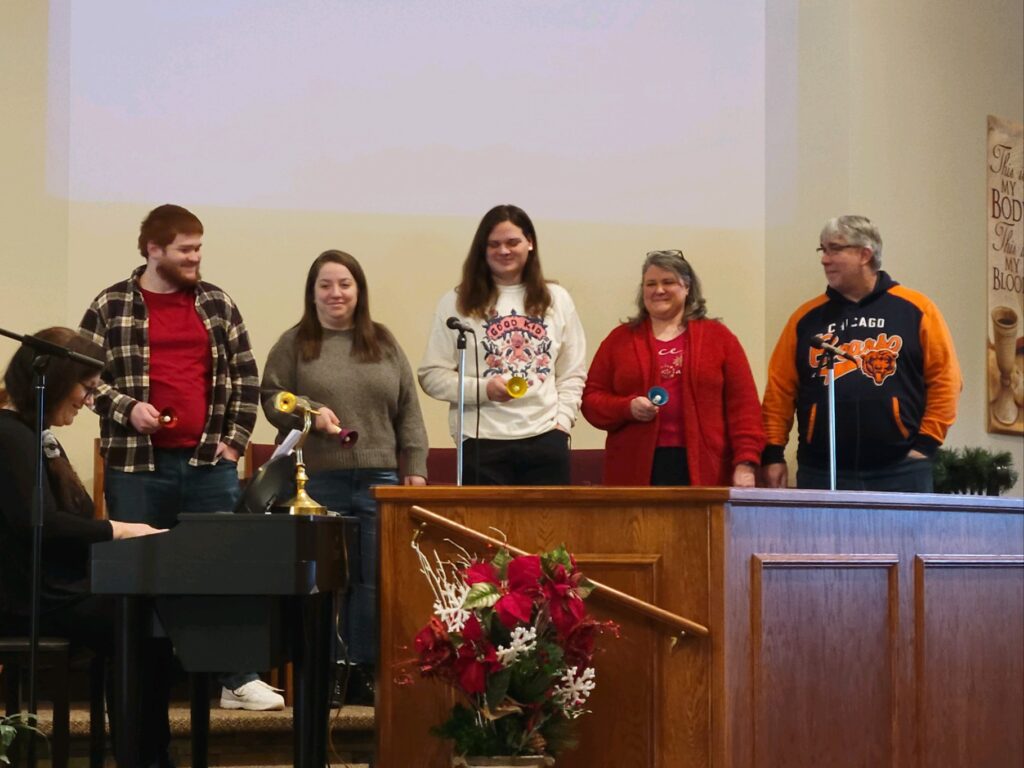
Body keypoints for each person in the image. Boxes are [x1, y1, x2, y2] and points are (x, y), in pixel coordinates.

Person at [78, 204, 283, 711]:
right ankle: (130, 684)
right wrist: (127, 410)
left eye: (198, 249)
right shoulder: (110, 304)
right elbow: (83, 378)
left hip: (208, 466)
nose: (195, 258)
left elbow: (246, 376)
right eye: (185, 250)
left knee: (223, 568)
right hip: (135, 467)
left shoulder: (216, 303)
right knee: (135, 576)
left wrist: (234, 442)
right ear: (154, 250)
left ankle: (237, 679)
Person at [261, 249, 429, 705]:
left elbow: (409, 410)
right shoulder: (295, 343)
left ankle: (363, 668)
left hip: (381, 480)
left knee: (374, 579)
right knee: (332, 581)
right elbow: (272, 396)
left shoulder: (384, 342)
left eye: (345, 284)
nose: (336, 293)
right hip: (319, 481)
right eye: (326, 285)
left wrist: (414, 469)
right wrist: (308, 412)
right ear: (312, 293)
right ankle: (330, 670)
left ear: (359, 291)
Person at [0, 327, 174, 768]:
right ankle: (145, 758)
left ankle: (149, 754)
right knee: (134, 618)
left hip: (50, 585)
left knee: (145, 613)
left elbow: (67, 522)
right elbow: (37, 525)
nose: (87, 398)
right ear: (56, 378)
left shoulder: (33, 435)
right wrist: (119, 530)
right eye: (85, 386)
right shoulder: (9, 434)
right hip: (27, 595)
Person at [761, 215, 962, 492]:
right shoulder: (805, 318)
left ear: (865, 254)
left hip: (901, 469)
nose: (824, 259)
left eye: (835, 249)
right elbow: (780, 390)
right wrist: (773, 452)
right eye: (823, 249)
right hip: (821, 470)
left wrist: (926, 444)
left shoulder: (915, 309)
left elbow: (946, 380)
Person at [418, 204, 587, 484]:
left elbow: (573, 372)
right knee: (484, 529)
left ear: (530, 243)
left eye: (513, 242)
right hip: (481, 441)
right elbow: (431, 376)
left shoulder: (557, 299)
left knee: (548, 529)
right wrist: (485, 389)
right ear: (482, 249)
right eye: (494, 244)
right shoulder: (456, 302)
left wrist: (562, 424)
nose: (504, 251)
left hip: (546, 437)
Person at [581, 250, 764, 486]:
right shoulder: (619, 340)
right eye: (651, 284)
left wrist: (745, 463)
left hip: (706, 470)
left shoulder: (719, 338)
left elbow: (744, 407)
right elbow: (591, 400)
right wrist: (627, 407)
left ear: (687, 288)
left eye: (668, 282)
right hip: (633, 471)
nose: (658, 290)